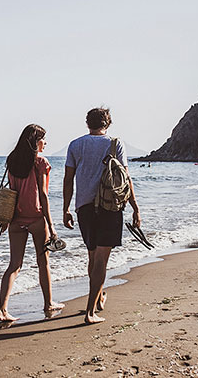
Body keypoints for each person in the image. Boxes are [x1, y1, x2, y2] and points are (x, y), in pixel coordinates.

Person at [63, 107, 141, 324]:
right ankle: (90, 313)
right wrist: (135, 207)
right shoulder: (115, 144)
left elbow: (68, 180)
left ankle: (99, 297)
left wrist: (66, 208)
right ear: (108, 123)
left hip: (84, 208)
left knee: (92, 257)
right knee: (101, 262)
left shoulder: (75, 145)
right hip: (110, 207)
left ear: (88, 123)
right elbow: (125, 177)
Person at [0, 124, 64, 322]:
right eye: (43, 139)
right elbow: (43, 194)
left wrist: (6, 219)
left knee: (14, 266)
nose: (45, 143)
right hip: (36, 218)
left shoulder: (12, 160)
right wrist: (51, 225)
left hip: (16, 220)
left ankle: (2, 309)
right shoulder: (40, 162)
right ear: (35, 142)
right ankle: (48, 303)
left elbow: (12, 190)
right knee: (43, 262)